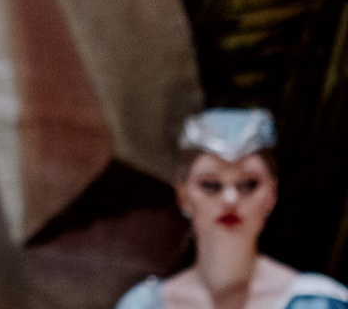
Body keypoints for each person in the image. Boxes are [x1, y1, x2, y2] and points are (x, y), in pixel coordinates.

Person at [116, 110, 348, 309]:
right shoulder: (144, 305)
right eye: (211, 185)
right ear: (183, 195)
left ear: (272, 193)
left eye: (248, 184)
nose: (230, 199)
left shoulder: (318, 302)